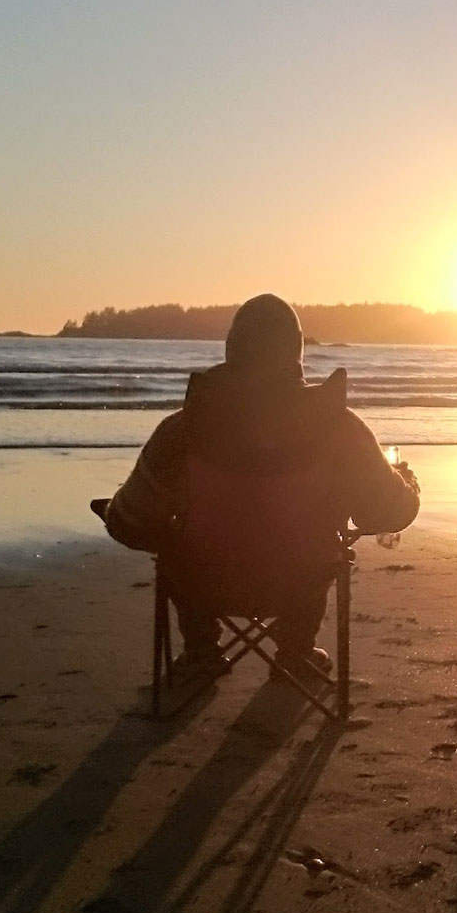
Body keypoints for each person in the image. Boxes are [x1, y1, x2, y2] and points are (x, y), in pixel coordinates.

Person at [100, 294, 420, 688]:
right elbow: (388, 514)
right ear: (297, 355)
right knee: (323, 547)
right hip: (300, 582)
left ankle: (201, 651)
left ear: (231, 350)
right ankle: (296, 651)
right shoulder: (339, 427)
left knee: (174, 542)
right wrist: (408, 485)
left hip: (204, 583)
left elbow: (130, 524)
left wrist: (116, 510)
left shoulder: (182, 430)